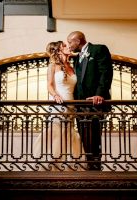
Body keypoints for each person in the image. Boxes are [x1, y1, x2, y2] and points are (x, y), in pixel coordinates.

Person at [32, 41, 85, 171]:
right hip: (58, 105)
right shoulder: (53, 66)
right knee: (56, 134)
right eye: (65, 46)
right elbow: (49, 85)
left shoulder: (72, 67)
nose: (69, 47)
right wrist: (55, 95)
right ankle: (53, 166)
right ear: (59, 50)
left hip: (71, 105)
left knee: (68, 134)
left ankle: (67, 166)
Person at [67, 31, 113, 170]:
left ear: (78, 40)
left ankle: (96, 168)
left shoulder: (98, 49)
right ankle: (89, 165)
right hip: (80, 106)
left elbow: (106, 72)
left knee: (94, 138)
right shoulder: (76, 58)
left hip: (95, 103)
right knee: (84, 138)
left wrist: (100, 94)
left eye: (70, 42)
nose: (69, 45)